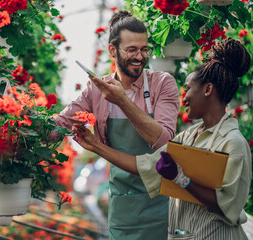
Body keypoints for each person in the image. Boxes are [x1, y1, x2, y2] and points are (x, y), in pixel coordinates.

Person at [73, 38, 252, 240]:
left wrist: (180, 178)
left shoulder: (233, 143)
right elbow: (144, 165)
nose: (183, 97)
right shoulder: (189, 136)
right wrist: (95, 146)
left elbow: (225, 205)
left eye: (188, 88)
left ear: (207, 90)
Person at [53, 10, 180, 239]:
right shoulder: (97, 90)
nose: (140, 56)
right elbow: (61, 122)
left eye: (144, 49)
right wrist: (23, 127)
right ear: (113, 50)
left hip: (162, 206)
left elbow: (163, 141)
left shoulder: (162, 83)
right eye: (131, 49)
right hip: (123, 208)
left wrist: (122, 101)